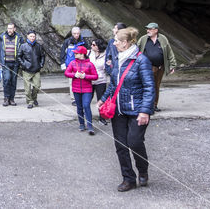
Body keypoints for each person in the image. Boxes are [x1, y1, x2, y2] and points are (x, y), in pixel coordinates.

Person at [97, 27, 155, 192]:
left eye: (116, 40)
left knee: (135, 142)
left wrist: (145, 111)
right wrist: (103, 99)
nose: (113, 43)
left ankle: (142, 170)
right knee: (121, 145)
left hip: (137, 109)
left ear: (124, 42)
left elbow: (149, 87)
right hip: (118, 110)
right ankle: (128, 179)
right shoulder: (118, 58)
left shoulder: (141, 60)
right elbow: (115, 84)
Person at [137, 22, 177, 112]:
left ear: (156, 30)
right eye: (147, 29)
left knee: (156, 86)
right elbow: (136, 51)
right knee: (148, 85)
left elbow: (169, 52)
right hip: (147, 67)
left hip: (160, 67)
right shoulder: (143, 39)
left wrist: (172, 65)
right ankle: (147, 106)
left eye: (150, 29)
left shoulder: (163, 39)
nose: (148, 31)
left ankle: (154, 105)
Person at [64, 46, 98, 134]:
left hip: (87, 89)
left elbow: (95, 76)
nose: (75, 54)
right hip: (76, 88)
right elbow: (66, 73)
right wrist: (74, 75)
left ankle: (90, 126)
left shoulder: (90, 64)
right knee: (79, 107)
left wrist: (85, 76)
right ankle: (81, 123)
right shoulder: (72, 63)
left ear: (82, 54)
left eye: (76, 53)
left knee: (86, 105)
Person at [59, 26, 88, 104]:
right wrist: (63, 63)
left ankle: (82, 97)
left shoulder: (84, 41)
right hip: (71, 65)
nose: (76, 35)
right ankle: (74, 99)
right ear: (72, 34)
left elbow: (87, 53)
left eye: (78, 33)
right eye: (75, 33)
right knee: (71, 82)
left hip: (82, 64)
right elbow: (62, 53)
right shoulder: (67, 42)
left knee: (82, 81)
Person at [0, 23, 22, 106]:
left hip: (15, 63)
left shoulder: (19, 37)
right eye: (8, 28)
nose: (9, 30)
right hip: (5, 63)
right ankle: (6, 98)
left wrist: (21, 61)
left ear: (14, 29)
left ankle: (12, 99)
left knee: (13, 81)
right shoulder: (2, 37)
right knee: (6, 80)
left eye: (11, 28)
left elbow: (22, 50)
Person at [17, 30, 46, 109]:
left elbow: (42, 56)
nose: (32, 38)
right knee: (27, 88)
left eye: (34, 36)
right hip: (27, 70)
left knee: (37, 86)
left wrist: (41, 64)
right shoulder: (23, 46)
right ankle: (30, 101)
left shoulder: (38, 46)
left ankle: (34, 98)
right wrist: (23, 64)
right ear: (27, 36)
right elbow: (19, 56)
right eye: (31, 36)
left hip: (36, 69)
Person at [89, 38, 109, 125]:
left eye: (93, 45)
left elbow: (107, 67)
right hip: (90, 80)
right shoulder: (89, 53)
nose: (91, 46)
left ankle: (102, 118)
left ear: (98, 47)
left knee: (101, 99)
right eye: (91, 44)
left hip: (101, 80)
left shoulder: (105, 55)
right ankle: (87, 116)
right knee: (88, 99)